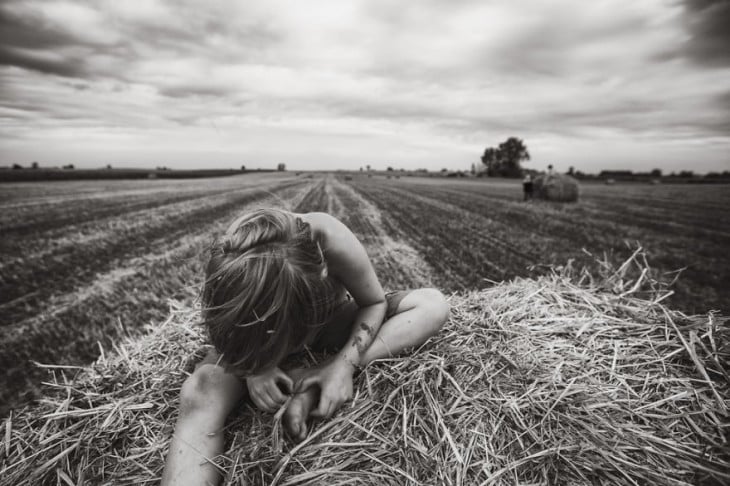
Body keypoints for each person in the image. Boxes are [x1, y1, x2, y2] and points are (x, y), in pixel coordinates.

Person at [161, 208, 450, 485]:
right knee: (200, 389)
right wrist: (255, 368)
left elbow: (374, 303)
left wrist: (343, 365)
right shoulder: (236, 254)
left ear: (318, 279)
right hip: (255, 340)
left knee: (431, 305)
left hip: (329, 324)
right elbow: (225, 331)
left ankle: (316, 379)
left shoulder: (330, 237)